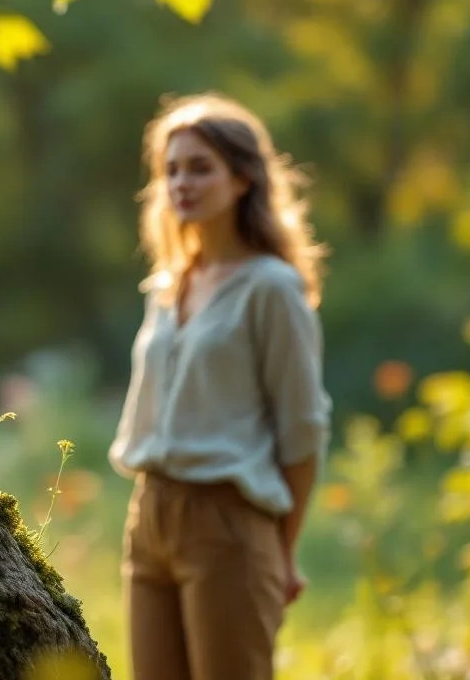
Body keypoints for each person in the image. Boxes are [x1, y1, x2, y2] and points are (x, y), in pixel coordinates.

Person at [108, 91, 332, 680]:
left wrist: (282, 551)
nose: (182, 182)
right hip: (149, 515)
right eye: (171, 170)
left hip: (230, 524)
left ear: (243, 179)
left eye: (200, 167)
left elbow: (303, 429)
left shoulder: (272, 288)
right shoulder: (166, 286)